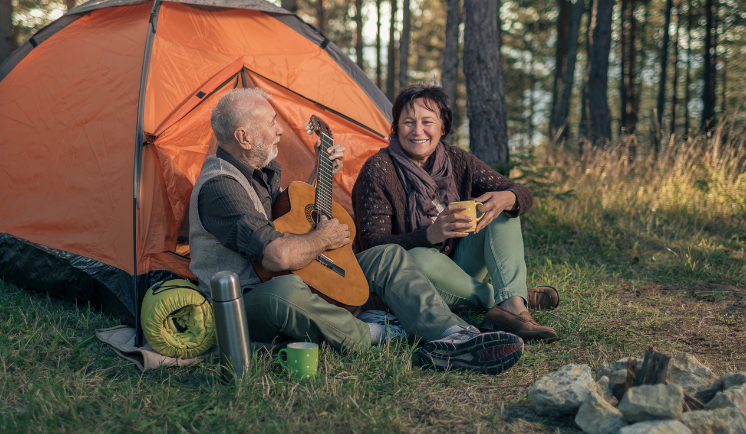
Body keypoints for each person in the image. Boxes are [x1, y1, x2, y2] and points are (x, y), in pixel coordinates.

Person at [188, 87, 525, 374]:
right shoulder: (221, 187)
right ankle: (376, 334)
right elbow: (275, 255)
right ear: (244, 137)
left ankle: (454, 334)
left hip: (291, 271)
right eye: (272, 123)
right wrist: (323, 238)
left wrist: (320, 174)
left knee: (388, 256)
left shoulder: (259, 172)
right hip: (246, 298)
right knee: (287, 293)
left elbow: (286, 220)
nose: (279, 131)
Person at [351, 83, 560, 341]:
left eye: (427, 121)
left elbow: (521, 193)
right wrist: (429, 235)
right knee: (419, 257)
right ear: (396, 127)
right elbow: (373, 245)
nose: (418, 131)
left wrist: (509, 196)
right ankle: (510, 298)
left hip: (458, 269)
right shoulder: (378, 170)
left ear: (443, 127)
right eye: (408, 122)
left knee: (502, 211)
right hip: (411, 283)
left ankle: (511, 306)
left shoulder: (458, 160)